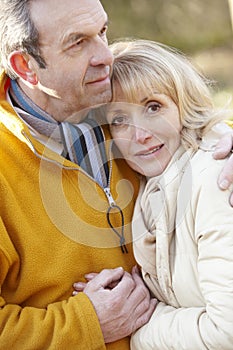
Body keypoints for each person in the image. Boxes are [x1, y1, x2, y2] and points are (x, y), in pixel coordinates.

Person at [0, 0, 232, 349]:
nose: (104, 56)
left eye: (102, 32)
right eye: (77, 42)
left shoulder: (120, 103)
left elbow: (191, 121)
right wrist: (85, 323)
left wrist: (225, 138)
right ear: (26, 66)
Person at [101, 39, 232, 349]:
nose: (141, 134)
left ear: (182, 105)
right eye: (120, 120)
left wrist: (137, 327)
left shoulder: (217, 179)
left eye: (153, 107)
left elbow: (227, 331)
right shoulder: (148, 187)